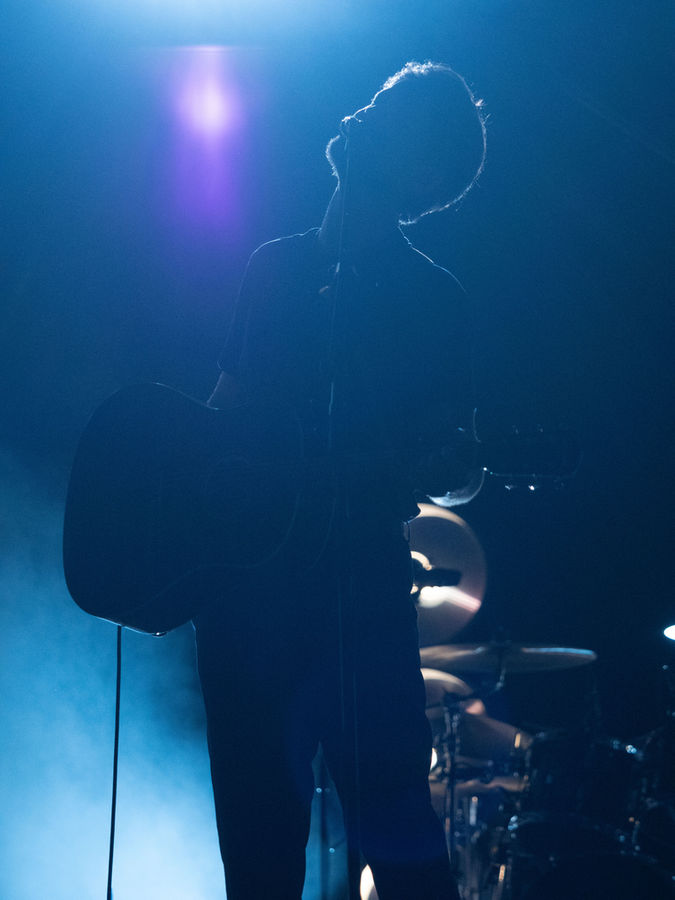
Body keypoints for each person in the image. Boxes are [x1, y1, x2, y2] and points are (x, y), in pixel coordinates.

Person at [194, 61, 487, 899]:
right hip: (246, 603)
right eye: (374, 99)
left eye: (390, 114)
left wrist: (452, 463)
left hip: (358, 603)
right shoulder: (273, 267)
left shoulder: (431, 298)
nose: (361, 114)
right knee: (256, 860)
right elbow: (221, 414)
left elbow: (455, 467)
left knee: (402, 852)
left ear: (422, 174)